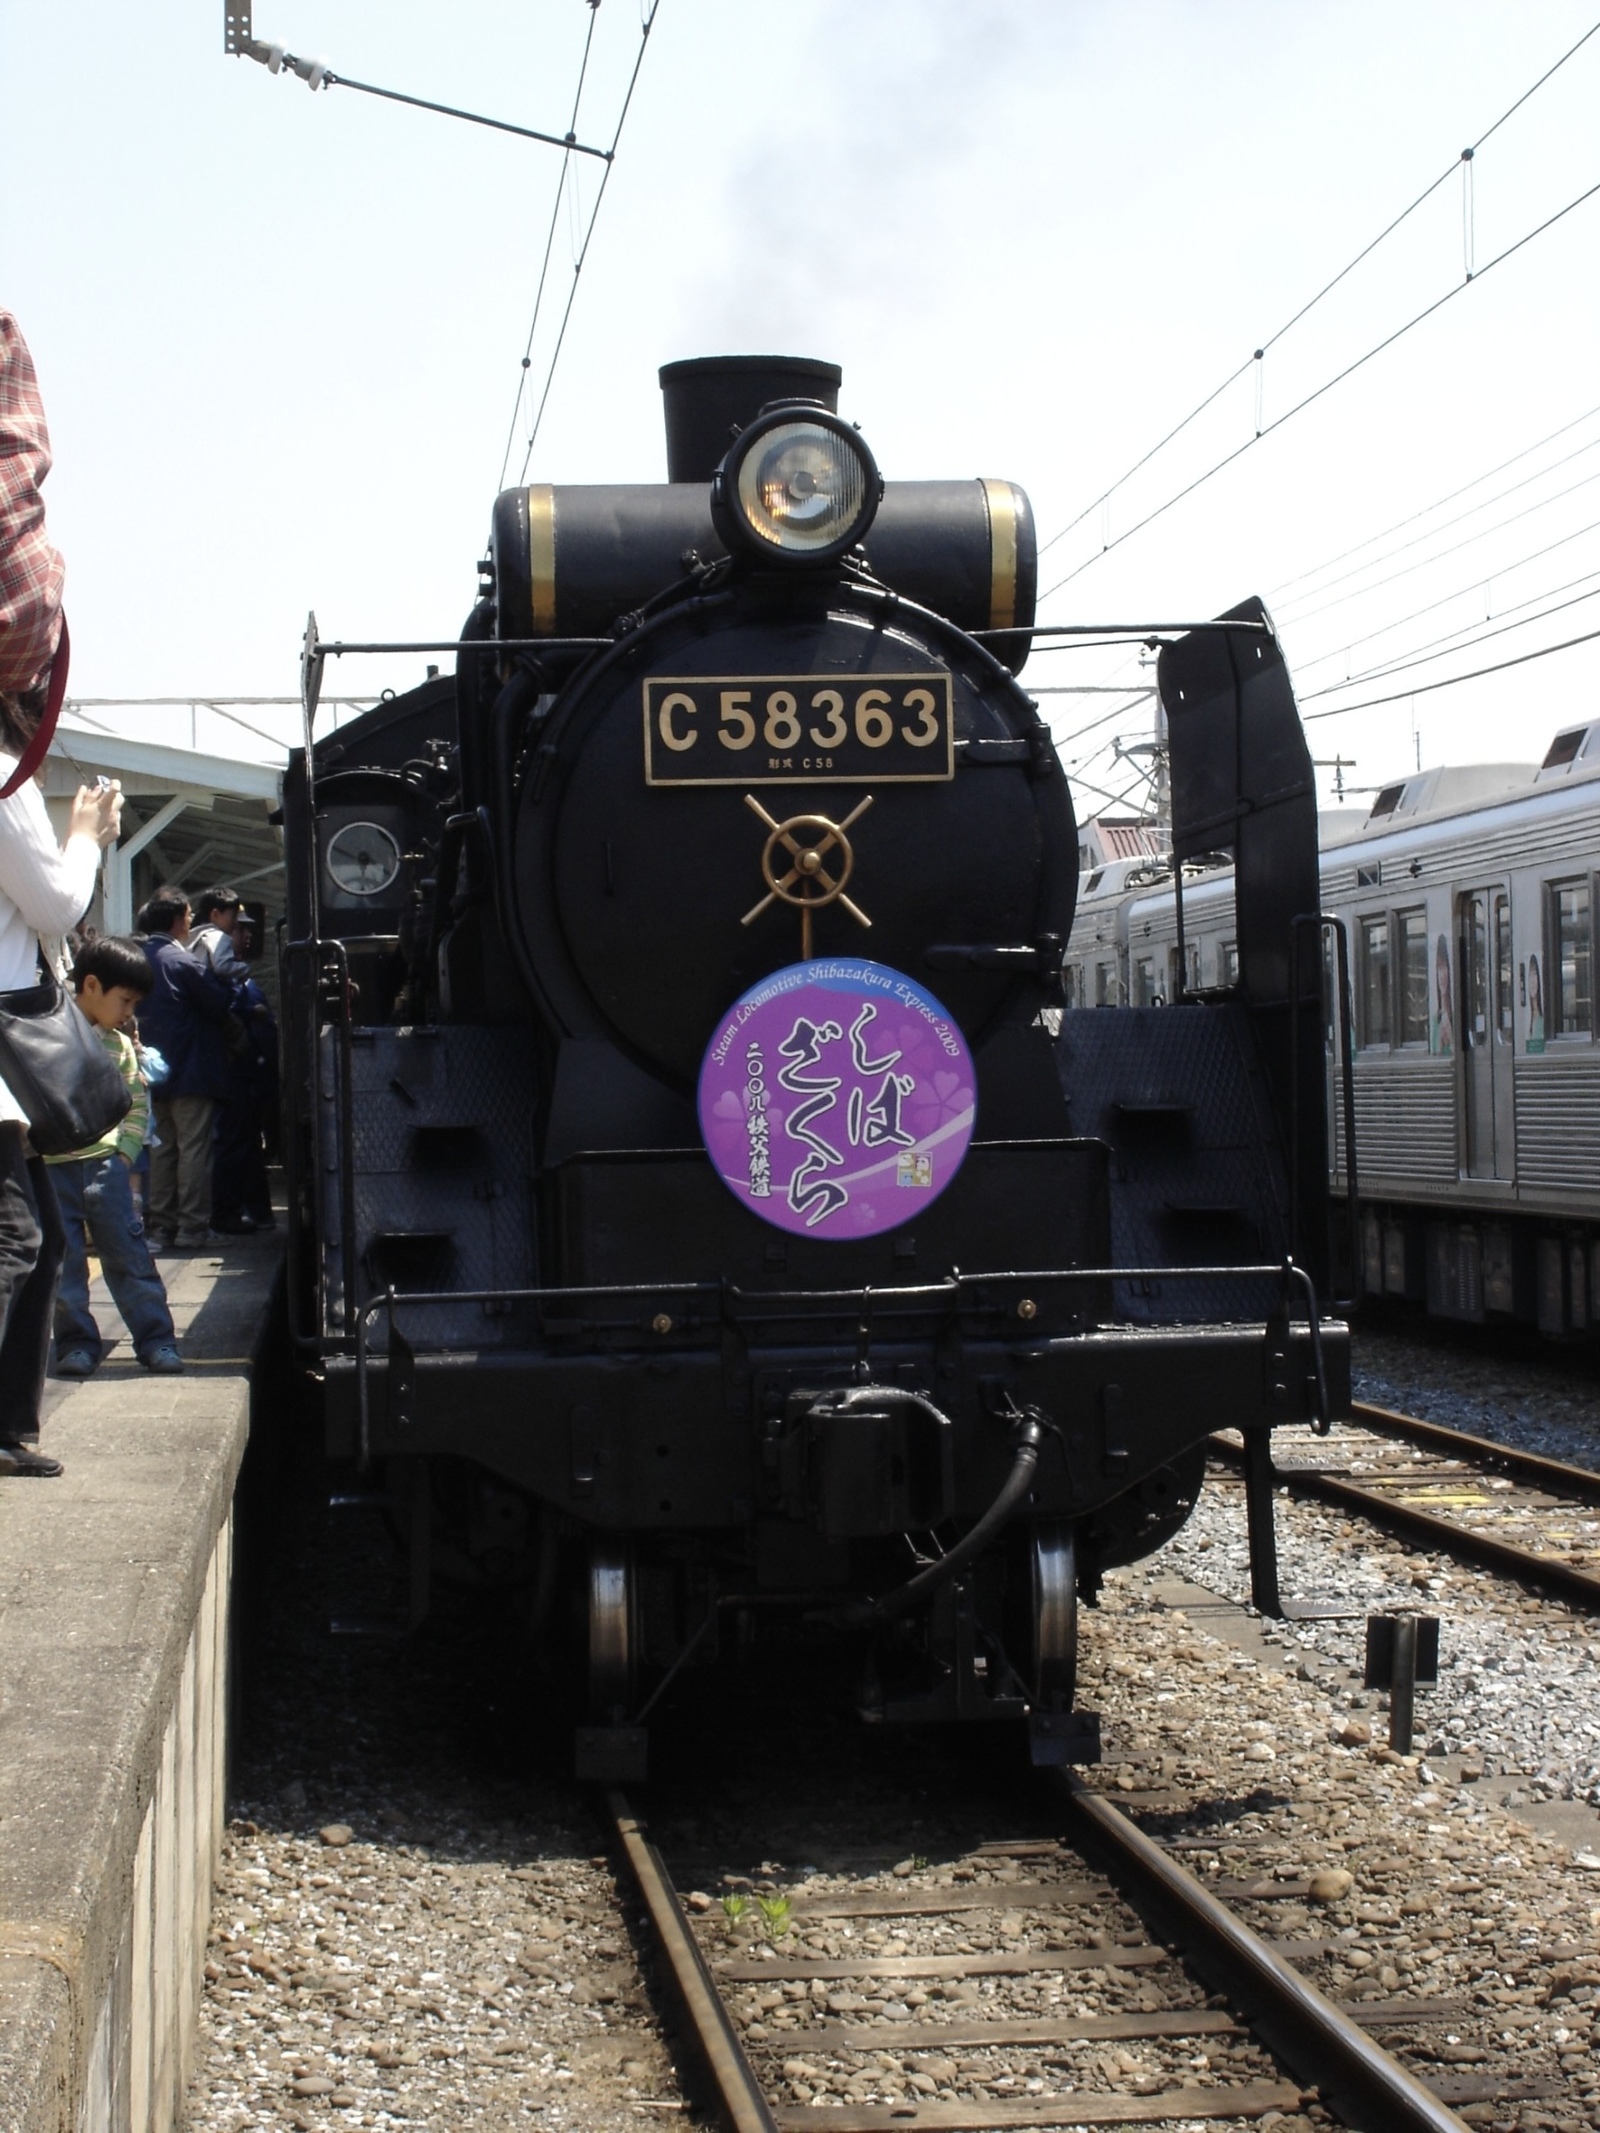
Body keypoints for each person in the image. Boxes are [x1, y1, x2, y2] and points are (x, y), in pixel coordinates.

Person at [0, 310, 123, 1476]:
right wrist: (85, 831)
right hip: (0, 1041)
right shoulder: (4, 774)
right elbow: (50, 910)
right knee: (19, 1242)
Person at [48, 937, 182, 1377]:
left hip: (106, 1167)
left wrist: (124, 1155)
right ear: (90, 986)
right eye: (125, 1001)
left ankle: (157, 1340)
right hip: (52, 1168)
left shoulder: (120, 1048)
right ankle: (76, 1343)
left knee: (128, 1255)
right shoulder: (46, 1038)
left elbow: (136, 1103)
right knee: (64, 1267)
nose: (129, 1013)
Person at [136, 887, 230, 1251]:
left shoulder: (137, 958)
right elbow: (217, 1004)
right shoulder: (184, 962)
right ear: (177, 921)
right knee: (193, 1149)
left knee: (161, 1149)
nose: (192, 922)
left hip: (151, 1074)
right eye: (190, 916)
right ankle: (192, 1226)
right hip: (192, 1071)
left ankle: (161, 1227)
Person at [211, 914, 278, 1234]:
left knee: (248, 1146)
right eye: (239, 929)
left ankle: (256, 1210)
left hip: (253, 1077)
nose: (247, 935)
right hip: (235, 1075)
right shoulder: (223, 981)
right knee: (234, 1145)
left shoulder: (243, 979)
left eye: (248, 929)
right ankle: (227, 1212)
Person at [189, 884, 245, 983]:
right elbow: (223, 966)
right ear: (215, 915)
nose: (236, 922)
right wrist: (244, 968)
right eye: (234, 916)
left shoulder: (195, 936)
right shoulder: (218, 936)